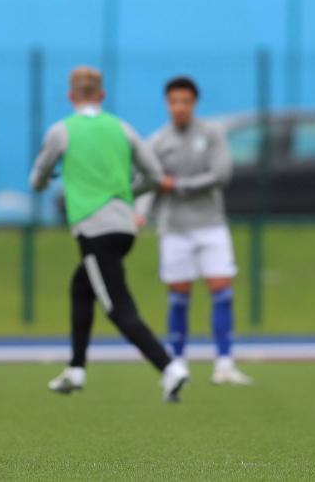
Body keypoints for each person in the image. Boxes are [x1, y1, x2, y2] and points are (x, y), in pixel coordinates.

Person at [30, 66, 190, 402]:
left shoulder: (62, 132)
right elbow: (154, 175)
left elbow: (38, 177)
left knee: (118, 307)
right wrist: (127, 192)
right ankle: (75, 368)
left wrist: (46, 182)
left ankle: (169, 366)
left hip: (95, 229)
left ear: (70, 96)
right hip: (124, 227)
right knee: (81, 288)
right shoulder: (122, 128)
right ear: (102, 96)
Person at [136, 77, 251, 385]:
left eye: (185, 101)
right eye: (174, 102)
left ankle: (224, 363)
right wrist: (141, 214)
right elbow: (149, 183)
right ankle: (177, 364)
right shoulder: (158, 141)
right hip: (174, 229)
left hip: (210, 225)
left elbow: (221, 174)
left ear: (194, 103)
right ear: (167, 104)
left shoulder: (212, 134)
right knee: (178, 299)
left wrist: (179, 185)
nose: (179, 107)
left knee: (222, 293)